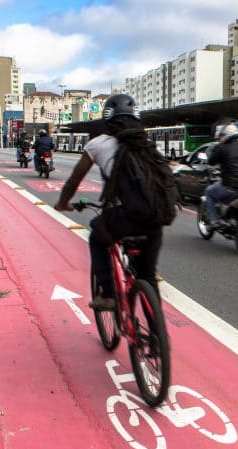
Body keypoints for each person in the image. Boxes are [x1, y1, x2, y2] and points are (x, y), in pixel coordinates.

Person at [54, 93, 163, 311]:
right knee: (147, 275)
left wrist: (63, 203)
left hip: (126, 217)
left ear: (108, 118)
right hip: (156, 217)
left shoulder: (98, 144)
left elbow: (73, 182)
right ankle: (158, 340)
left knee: (96, 234)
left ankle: (108, 294)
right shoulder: (147, 143)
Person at [204, 123, 238, 229]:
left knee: (209, 192)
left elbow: (211, 161)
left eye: (222, 136)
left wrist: (219, 145)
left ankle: (213, 221)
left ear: (226, 135)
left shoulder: (223, 148)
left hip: (229, 185)